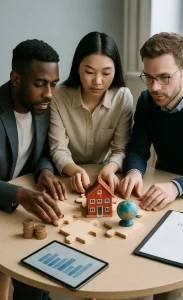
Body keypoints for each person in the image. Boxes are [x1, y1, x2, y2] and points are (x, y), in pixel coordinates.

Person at [0, 39, 67, 299]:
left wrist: (45, 172)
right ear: (16, 79)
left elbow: (41, 155)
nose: (49, 93)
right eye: (40, 84)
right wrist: (18, 194)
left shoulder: (43, 107)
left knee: (38, 280)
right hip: (9, 206)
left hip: (20, 218)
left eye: (53, 84)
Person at [120, 32, 183, 211]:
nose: (154, 87)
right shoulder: (147, 101)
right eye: (148, 77)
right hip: (160, 191)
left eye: (164, 77)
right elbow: (137, 148)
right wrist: (134, 172)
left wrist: (175, 187)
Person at [49, 31, 134, 193]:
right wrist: (75, 170)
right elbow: (58, 148)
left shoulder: (122, 97)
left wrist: (110, 169)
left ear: (115, 71)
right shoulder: (59, 96)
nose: (97, 81)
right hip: (65, 173)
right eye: (89, 72)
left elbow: (121, 148)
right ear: (78, 68)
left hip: (104, 169)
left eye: (106, 73)